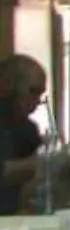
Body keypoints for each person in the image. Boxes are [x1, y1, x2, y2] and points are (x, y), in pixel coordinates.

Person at [0, 55, 46, 213]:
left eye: (40, 95)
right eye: (32, 91)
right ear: (7, 85)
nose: (36, 102)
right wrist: (35, 164)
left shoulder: (28, 128)